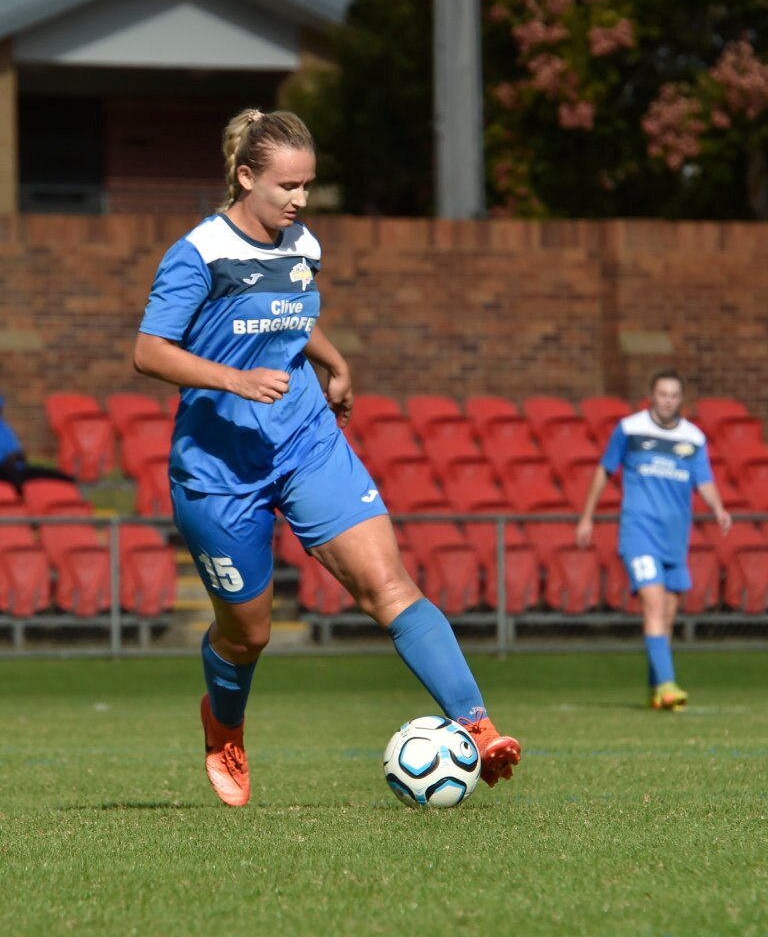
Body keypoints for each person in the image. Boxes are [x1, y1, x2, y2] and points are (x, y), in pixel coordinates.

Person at [133, 107, 521, 806]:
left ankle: (478, 723)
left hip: (307, 442)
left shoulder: (302, 244)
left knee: (390, 587)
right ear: (246, 177)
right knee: (248, 636)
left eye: (308, 186)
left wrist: (334, 362)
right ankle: (223, 727)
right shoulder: (198, 253)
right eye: (287, 187)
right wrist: (235, 380)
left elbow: (293, 318)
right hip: (220, 470)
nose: (300, 201)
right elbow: (149, 351)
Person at [576, 369, 731, 711]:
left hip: (675, 538)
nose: (668, 401)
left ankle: (654, 691)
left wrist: (718, 508)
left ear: (681, 399)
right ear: (651, 395)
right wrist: (587, 516)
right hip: (639, 532)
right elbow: (605, 470)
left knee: (669, 613)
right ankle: (667, 684)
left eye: (674, 395)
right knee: (655, 605)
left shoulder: (694, 438)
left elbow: (703, 478)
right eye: (663, 394)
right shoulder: (630, 430)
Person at [0, 395, 75, 494]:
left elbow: (20, 454)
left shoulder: (5, 428)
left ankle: (71, 485)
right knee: (15, 478)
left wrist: (16, 457)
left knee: (49, 474)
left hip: (18, 469)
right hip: (4, 472)